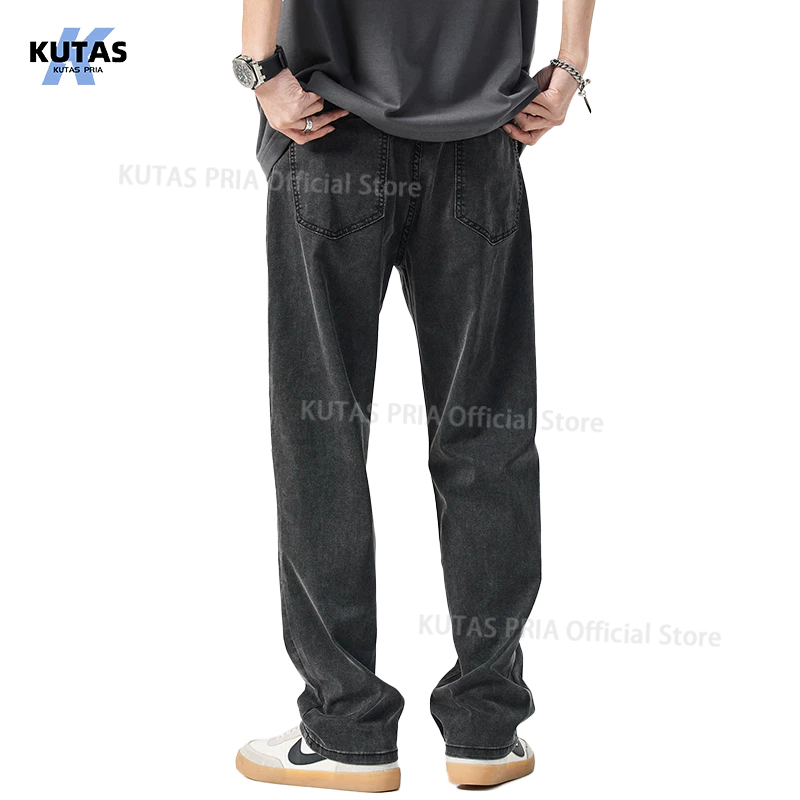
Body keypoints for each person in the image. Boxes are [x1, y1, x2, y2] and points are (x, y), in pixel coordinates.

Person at [232, 0, 596, 791]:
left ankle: (345, 727)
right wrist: (571, 66)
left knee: (321, 437)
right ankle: (485, 729)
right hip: (478, 143)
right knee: (488, 435)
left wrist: (258, 68)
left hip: (330, 133)